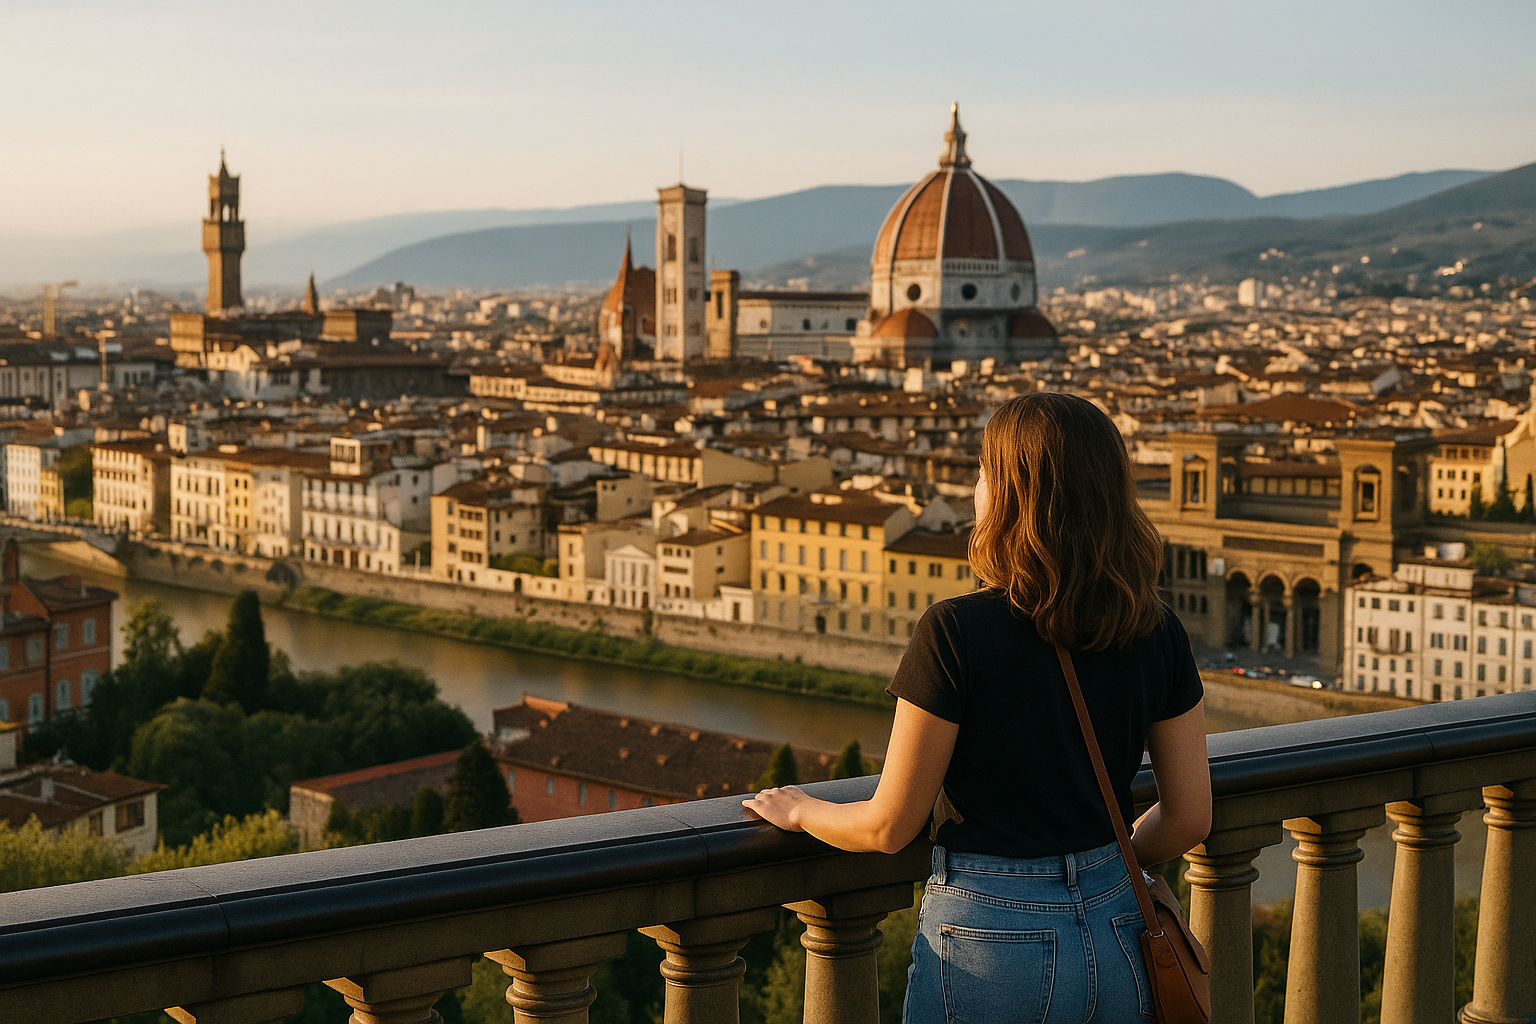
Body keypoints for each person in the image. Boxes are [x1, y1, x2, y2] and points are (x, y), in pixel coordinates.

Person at [744, 392, 1212, 1023]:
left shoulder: (955, 632)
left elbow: (889, 826)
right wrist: (1103, 866)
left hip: (990, 940)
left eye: (985, 473)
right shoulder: (1157, 630)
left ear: (1011, 497)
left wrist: (802, 809)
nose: (975, 487)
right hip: (1118, 926)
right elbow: (1188, 817)